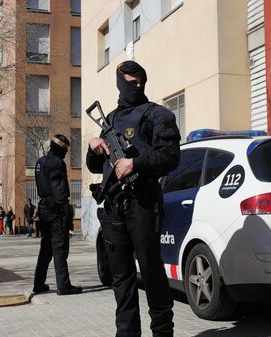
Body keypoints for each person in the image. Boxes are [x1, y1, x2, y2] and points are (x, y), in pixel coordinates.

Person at [86, 61, 181, 337]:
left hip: (143, 205)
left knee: (152, 274)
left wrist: (135, 164)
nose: (136, 87)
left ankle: (163, 333)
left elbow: (171, 156)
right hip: (114, 209)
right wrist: (94, 148)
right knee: (122, 281)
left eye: (140, 82)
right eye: (131, 82)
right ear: (119, 82)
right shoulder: (111, 120)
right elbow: (96, 167)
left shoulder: (157, 115)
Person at [32, 134, 82, 296]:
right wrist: (65, 212)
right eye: (65, 149)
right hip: (56, 210)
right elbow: (59, 189)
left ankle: (38, 284)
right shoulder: (57, 163)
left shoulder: (40, 162)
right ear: (61, 148)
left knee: (45, 249)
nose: (66, 153)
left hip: (44, 209)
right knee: (60, 249)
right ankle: (63, 285)